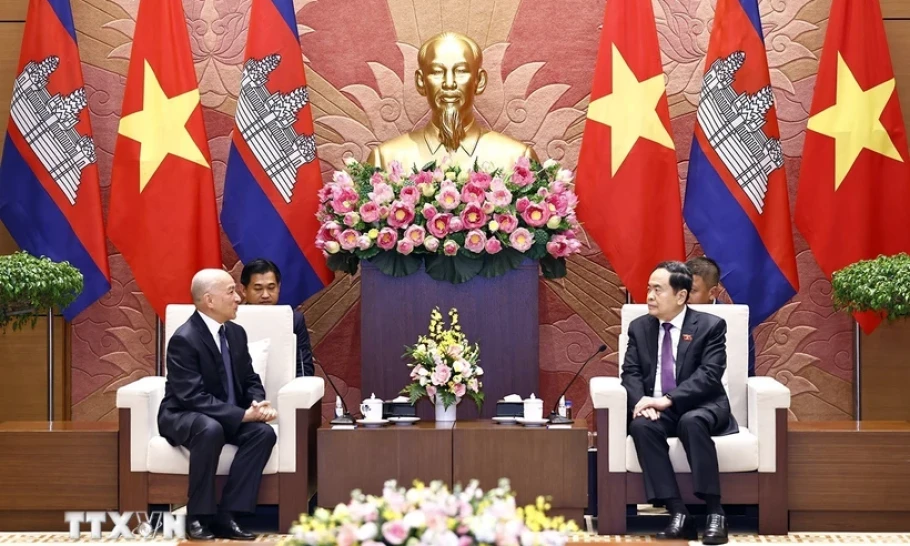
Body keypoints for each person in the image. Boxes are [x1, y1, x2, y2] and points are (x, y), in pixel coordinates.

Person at [157, 269, 278, 541]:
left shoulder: (235, 333)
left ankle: (228, 514)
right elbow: (191, 397)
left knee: (263, 433)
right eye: (231, 292)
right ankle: (198, 515)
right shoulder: (184, 338)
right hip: (184, 414)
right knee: (210, 429)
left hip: (224, 414)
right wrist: (241, 415)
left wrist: (257, 405)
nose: (238, 298)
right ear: (209, 300)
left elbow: (249, 378)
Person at [621, 261, 737, 544]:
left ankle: (714, 512)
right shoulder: (640, 328)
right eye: (649, 288)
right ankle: (678, 512)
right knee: (641, 427)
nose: (649, 295)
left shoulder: (710, 326)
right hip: (659, 408)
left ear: (681, 296)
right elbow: (631, 372)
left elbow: (710, 375)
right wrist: (643, 403)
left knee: (692, 421)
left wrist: (668, 400)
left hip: (703, 406)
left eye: (658, 290)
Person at [367, 31, 538, 171]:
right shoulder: (384, 160)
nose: (449, 83)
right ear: (421, 81)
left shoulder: (519, 160)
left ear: (479, 81)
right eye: (437, 72)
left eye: (461, 71)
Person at [239, 259, 315, 377]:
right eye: (258, 289)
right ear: (244, 290)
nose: (265, 295)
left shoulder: (293, 320)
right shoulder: (231, 318)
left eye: (271, 288)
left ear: (279, 287)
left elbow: (304, 366)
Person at [686, 256, 757, 376]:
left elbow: (746, 371)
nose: (684, 296)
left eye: (692, 291)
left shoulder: (736, 321)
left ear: (712, 293)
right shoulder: (671, 314)